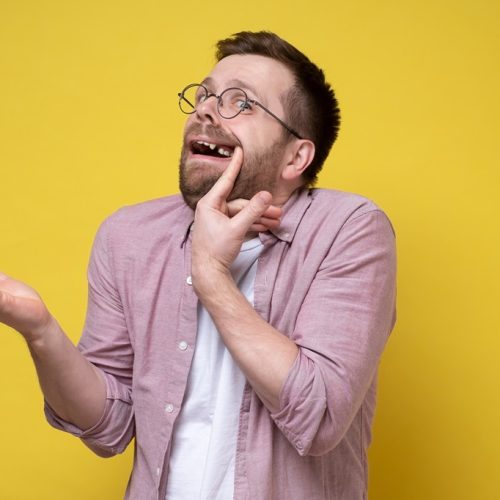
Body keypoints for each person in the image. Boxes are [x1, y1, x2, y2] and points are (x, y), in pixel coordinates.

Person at [0, 31, 396, 499]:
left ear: (296, 157)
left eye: (241, 104)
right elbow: (107, 425)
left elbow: (320, 415)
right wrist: (41, 330)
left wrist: (209, 272)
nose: (205, 110)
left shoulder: (347, 230)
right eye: (205, 95)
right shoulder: (129, 237)